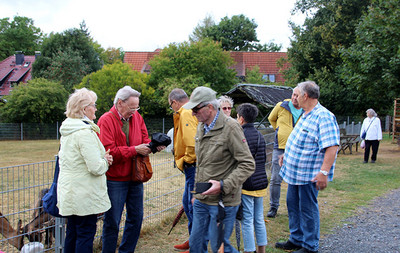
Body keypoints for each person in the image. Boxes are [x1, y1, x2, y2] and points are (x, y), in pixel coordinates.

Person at [183, 86, 255, 253]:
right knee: (196, 244)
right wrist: (196, 193)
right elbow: (202, 164)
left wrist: (223, 185)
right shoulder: (202, 126)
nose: (193, 113)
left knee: (219, 247)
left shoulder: (231, 128)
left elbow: (247, 164)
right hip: (202, 199)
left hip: (223, 202)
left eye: (196, 109)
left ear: (210, 107)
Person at [275, 81, 340, 253]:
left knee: (307, 209)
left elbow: (332, 147)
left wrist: (323, 172)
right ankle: (296, 239)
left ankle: (310, 246)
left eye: (297, 94)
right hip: (295, 174)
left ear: (305, 96)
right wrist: (286, 156)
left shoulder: (323, 116)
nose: (294, 98)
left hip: (309, 175)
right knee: (293, 205)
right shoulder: (306, 114)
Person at [98, 86, 163, 253]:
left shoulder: (137, 117)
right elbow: (108, 151)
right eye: (132, 107)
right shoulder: (105, 120)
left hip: (135, 177)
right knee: (112, 221)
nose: (135, 111)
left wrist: (154, 146)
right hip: (115, 179)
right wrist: (135, 150)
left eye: (137, 107)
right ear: (120, 103)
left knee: (136, 218)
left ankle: (127, 251)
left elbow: (144, 139)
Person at [58, 88, 113, 253]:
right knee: (85, 234)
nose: (96, 108)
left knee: (72, 233)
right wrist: (106, 161)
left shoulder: (68, 131)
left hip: (70, 192)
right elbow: (95, 167)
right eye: (93, 105)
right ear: (84, 109)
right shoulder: (83, 133)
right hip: (84, 196)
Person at [168, 88, 198, 252]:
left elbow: (192, 142)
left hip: (192, 166)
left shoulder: (185, 112)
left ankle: (196, 245)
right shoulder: (191, 110)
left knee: (192, 204)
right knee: (187, 203)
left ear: (174, 102)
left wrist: (187, 159)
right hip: (192, 166)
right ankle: (192, 239)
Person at [236, 103, 268, 253]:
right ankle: (261, 249)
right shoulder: (260, 135)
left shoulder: (241, 136)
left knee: (247, 219)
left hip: (247, 183)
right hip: (261, 182)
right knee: (259, 219)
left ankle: (249, 249)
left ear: (241, 119)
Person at [267, 88, 303, 218]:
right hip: (280, 148)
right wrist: (279, 130)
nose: (294, 98)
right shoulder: (281, 106)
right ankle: (273, 207)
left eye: (297, 96)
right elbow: (272, 119)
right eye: (293, 95)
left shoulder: (306, 110)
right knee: (276, 179)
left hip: (298, 149)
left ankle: (295, 208)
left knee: (297, 179)